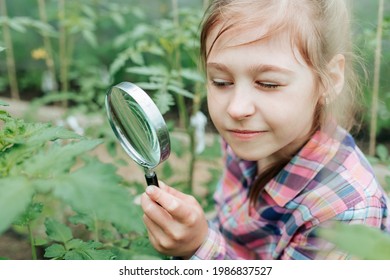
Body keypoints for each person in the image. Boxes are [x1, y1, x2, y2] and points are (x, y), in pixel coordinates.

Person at [140, 0, 390, 259]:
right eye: (221, 81)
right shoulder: (250, 138)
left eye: (268, 84)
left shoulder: (345, 211)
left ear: (331, 80)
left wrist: (199, 248)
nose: (237, 109)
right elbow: (233, 232)